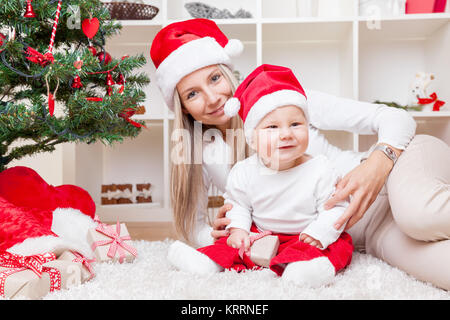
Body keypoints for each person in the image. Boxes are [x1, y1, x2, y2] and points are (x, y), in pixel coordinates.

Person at [150, 18, 450, 290]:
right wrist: (216, 236)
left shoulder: (284, 99)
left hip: (398, 170)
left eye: (214, 78)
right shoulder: (200, 151)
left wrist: (376, 164)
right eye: (192, 93)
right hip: (366, 233)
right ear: (182, 107)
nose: (213, 97)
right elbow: (194, 224)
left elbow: (398, 119)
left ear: (228, 71)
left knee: (418, 216)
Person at [167, 64, 354, 287]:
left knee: (334, 246)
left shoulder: (321, 169)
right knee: (232, 246)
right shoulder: (244, 171)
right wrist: (238, 230)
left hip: (305, 234)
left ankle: (310, 269)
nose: (286, 134)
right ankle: (206, 262)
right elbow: (239, 205)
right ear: (252, 139)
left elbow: (336, 210)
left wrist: (319, 233)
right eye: (273, 127)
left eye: (295, 124)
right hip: (261, 235)